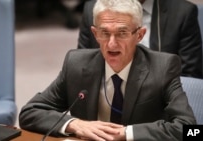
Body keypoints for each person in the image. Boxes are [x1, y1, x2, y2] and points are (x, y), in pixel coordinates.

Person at [19, 0, 196, 140]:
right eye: (104, 33)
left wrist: (127, 134)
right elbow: (29, 113)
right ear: (95, 34)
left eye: (122, 33)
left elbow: (191, 131)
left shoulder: (163, 67)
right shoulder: (76, 63)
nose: (111, 43)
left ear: (140, 35)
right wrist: (75, 124)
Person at [78, 0, 203, 79]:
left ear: (140, 34)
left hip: (160, 99)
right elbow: (83, 66)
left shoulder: (182, 13)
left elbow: (190, 76)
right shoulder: (94, 9)